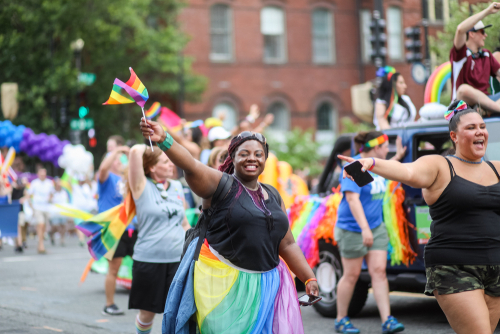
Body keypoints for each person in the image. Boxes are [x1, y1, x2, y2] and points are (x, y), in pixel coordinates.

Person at [140, 118, 319, 333]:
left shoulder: (272, 194)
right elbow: (190, 164)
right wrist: (164, 139)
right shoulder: (221, 185)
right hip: (224, 285)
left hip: (268, 285)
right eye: (244, 153)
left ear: (265, 159)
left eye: (258, 154)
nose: (251, 158)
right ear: (232, 157)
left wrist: (308, 276)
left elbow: (287, 244)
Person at [339, 100, 500, 334]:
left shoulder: (496, 168)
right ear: (454, 136)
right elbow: (408, 172)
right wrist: (371, 163)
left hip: (496, 266)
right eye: (471, 127)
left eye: (482, 126)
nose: (479, 132)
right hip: (455, 267)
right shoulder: (440, 165)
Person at [334, 131, 406, 334]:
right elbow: (352, 199)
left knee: (379, 272)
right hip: (352, 229)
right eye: (385, 146)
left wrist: (398, 157)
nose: (387, 149)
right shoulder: (355, 166)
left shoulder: (375, 165)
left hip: (376, 227)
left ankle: (387, 320)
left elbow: (384, 171)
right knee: (352, 275)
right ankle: (341, 319)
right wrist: (365, 229)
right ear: (375, 147)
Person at [127, 144, 189, 334]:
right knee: (147, 313)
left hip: (177, 260)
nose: (172, 164)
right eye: (165, 161)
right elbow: (134, 152)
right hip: (149, 260)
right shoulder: (141, 186)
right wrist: (152, 143)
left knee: (178, 312)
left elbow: (183, 222)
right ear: (152, 167)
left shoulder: (177, 186)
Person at [98, 144, 137, 316]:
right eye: (115, 160)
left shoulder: (129, 179)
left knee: (142, 266)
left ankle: (141, 302)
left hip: (132, 229)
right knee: (113, 269)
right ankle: (109, 304)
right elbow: (103, 168)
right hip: (114, 230)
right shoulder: (106, 179)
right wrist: (116, 151)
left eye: (120, 160)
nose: (118, 162)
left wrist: (131, 155)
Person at [451, 2, 500, 113]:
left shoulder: (487, 55)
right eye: (482, 32)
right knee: (463, 89)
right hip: (462, 107)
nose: (485, 35)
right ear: (472, 34)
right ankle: (493, 109)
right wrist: (488, 11)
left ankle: (487, 109)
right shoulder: (461, 54)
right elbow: (460, 29)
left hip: (486, 103)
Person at [28, 168, 54, 254]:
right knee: (41, 224)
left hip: (46, 207)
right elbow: (29, 195)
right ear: (38, 174)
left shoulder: (49, 183)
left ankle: (40, 243)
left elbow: (51, 194)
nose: (43, 176)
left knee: (44, 227)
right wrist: (31, 206)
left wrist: (49, 199)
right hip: (37, 207)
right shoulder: (34, 183)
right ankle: (41, 244)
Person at [48, 177, 69, 246]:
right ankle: (52, 233)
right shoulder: (52, 192)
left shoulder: (64, 191)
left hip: (62, 211)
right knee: (55, 226)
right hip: (54, 212)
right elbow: (49, 200)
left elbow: (67, 201)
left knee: (63, 225)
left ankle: (62, 239)